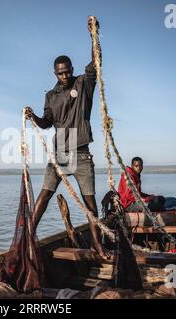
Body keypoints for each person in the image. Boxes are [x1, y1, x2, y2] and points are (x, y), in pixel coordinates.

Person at [24, 16, 109, 258]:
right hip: (59, 153)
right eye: (60, 73)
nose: (64, 76)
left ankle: (98, 245)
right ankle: (28, 236)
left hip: (81, 153)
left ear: (72, 70)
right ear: (54, 73)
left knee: (90, 204)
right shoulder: (51, 96)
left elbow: (96, 61)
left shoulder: (83, 84)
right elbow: (47, 123)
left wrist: (93, 35)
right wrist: (33, 118)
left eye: (67, 71)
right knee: (45, 193)